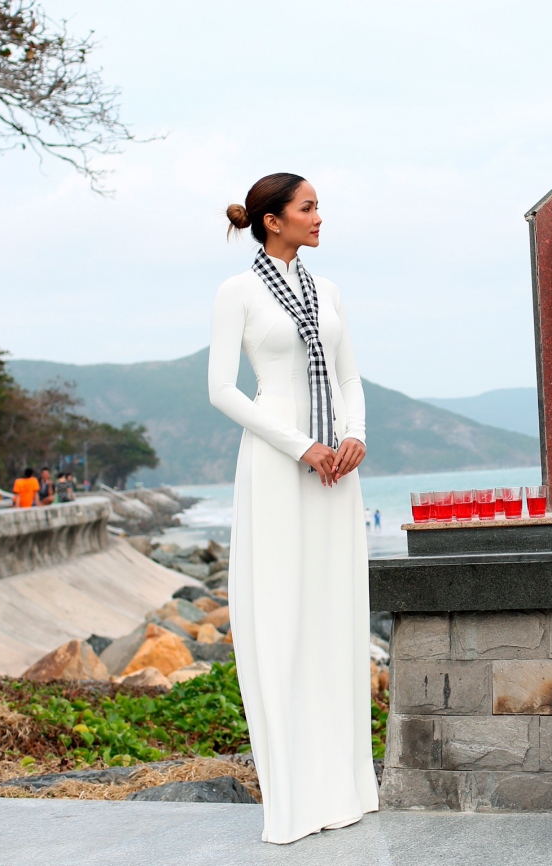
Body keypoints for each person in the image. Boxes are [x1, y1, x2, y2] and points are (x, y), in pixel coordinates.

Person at [210, 173, 375, 844]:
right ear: (273, 220)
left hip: (338, 470)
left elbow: (348, 377)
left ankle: (344, 787)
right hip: (281, 465)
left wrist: (353, 435)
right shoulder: (238, 292)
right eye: (308, 208)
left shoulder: (327, 290)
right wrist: (301, 445)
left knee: (336, 616)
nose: (319, 218)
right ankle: (293, 801)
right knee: (281, 619)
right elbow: (223, 390)